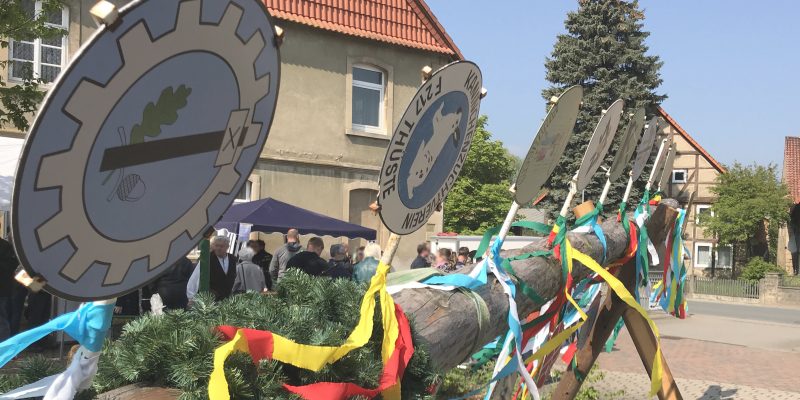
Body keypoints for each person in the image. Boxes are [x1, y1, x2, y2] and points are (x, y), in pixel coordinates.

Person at [187, 235, 238, 302]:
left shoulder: (233, 259)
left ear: (227, 247)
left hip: (227, 298)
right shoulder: (207, 259)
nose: (218, 248)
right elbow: (195, 277)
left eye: (221, 246)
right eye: (216, 245)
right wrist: (191, 296)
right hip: (211, 299)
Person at [0, 237, 18, 340]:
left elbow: (12, 265)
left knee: (2, 320)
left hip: (2, 291)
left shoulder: (6, 246)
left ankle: (3, 348)